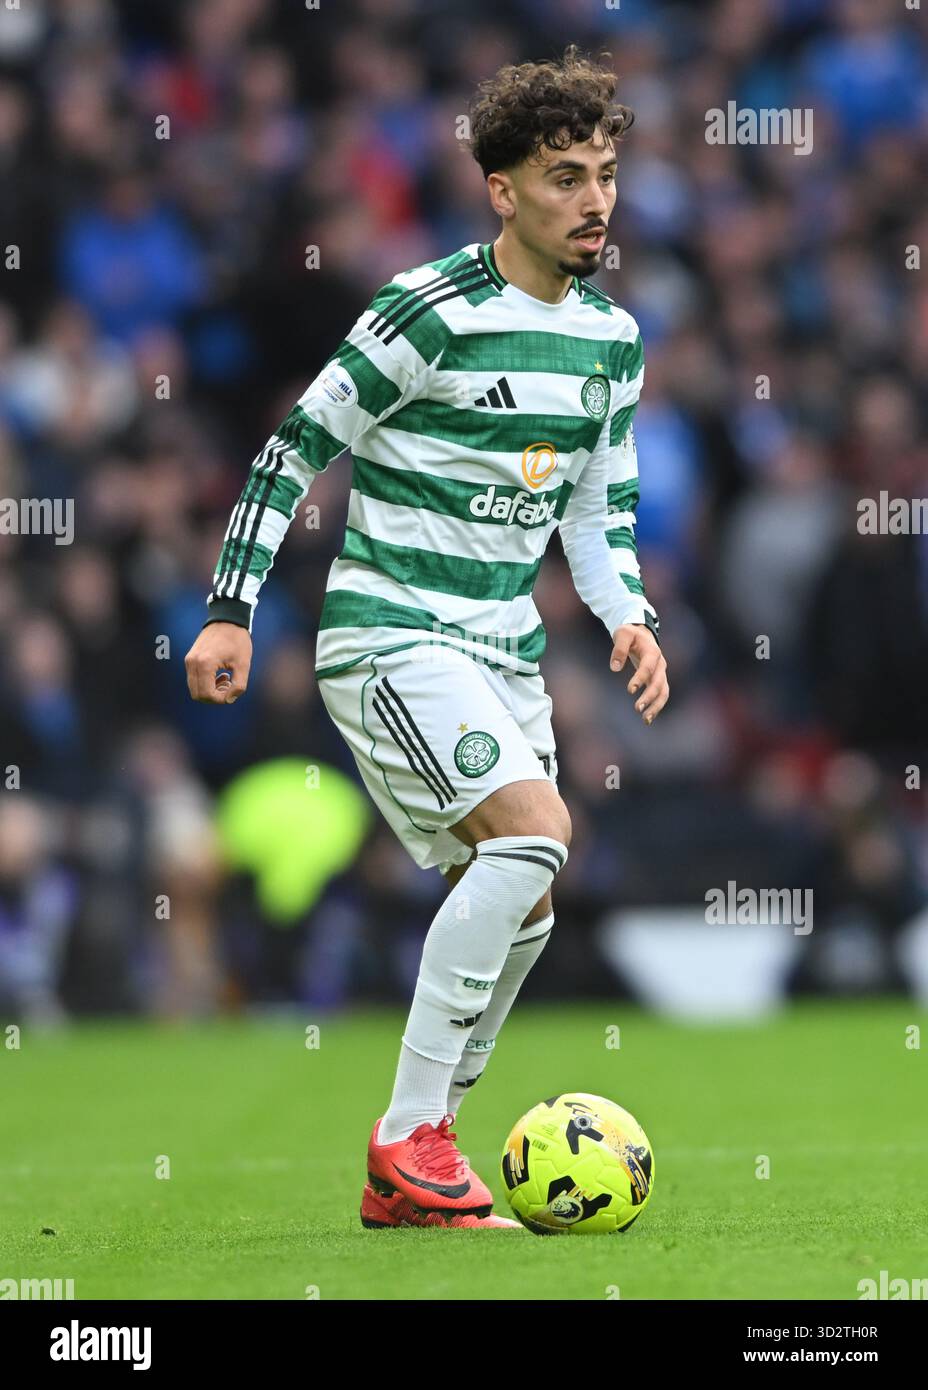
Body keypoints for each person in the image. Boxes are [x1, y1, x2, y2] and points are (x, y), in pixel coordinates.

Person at [185, 44, 669, 1230]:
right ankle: (408, 1135)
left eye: (603, 172)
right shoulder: (426, 309)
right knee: (537, 833)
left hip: (503, 650)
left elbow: (599, 513)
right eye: (563, 176)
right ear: (501, 189)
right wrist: (229, 607)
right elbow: (292, 446)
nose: (593, 198)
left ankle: (420, 1162)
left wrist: (629, 619)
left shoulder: (611, 340)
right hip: (393, 632)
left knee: (532, 894)